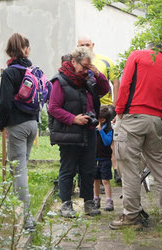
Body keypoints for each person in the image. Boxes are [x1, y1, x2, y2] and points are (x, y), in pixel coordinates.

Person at [109, 41, 162, 231]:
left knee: (130, 168)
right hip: (155, 120)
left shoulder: (137, 56)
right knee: (160, 167)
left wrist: (119, 111)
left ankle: (131, 216)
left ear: (149, 47)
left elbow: (125, 85)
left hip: (132, 117)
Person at [48, 47, 110, 217]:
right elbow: (53, 108)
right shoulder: (59, 81)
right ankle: (66, 204)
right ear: (73, 62)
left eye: (88, 67)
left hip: (88, 131)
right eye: (84, 66)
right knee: (68, 169)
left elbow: (104, 89)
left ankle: (89, 203)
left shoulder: (88, 80)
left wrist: (97, 73)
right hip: (69, 132)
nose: (85, 70)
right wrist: (73, 119)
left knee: (88, 169)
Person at [0, 33, 38, 230]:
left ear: (8, 51)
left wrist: (1, 124)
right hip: (32, 125)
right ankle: (17, 210)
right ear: (26, 50)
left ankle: (25, 217)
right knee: (19, 168)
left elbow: (4, 104)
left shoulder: (9, 73)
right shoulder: (32, 71)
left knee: (17, 170)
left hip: (18, 127)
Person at [77, 36, 122, 184]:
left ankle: (114, 170)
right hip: (86, 107)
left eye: (87, 44)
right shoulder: (74, 62)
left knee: (109, 141)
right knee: (91, 141)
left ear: (93, 45)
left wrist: (115, 105)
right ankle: (96, 176)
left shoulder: (105, 61)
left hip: (105, 107)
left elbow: (116, 81)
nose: (85, 47)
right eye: (82, 45)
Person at [93, 106, 114, 211]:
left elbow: (107, 142)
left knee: (105, 180)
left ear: (102, 119)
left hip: (105, 158)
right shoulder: (94, 128)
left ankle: (109, 200)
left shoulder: (108, 129)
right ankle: (96, 199)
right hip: (94, 158)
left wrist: (101, 131)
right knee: (95, 180)